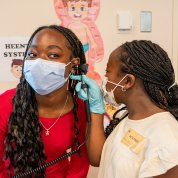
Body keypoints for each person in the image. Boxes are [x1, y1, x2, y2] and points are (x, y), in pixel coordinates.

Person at [71, 40, 178, 178]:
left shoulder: (167, 138)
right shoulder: (129, 117)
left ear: (127, 81)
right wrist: (96, 109)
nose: (105, 78)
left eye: (107, 72)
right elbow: (98, 158)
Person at [0, 25, 89, 178]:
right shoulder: (6, 103)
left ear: (74, 64)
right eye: (32, 54)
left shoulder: (79, 108)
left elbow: (79, 165)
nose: (39, 62)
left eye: (53, 55)